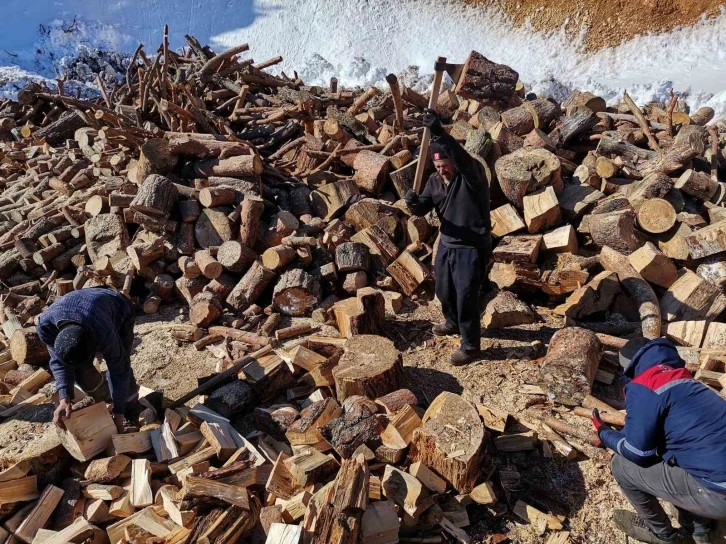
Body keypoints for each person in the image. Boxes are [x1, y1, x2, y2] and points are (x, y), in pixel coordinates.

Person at [592, 337, 726, 544]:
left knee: (621, 466)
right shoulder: (688, 381)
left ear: (629, 367)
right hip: (719, 477)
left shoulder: (644, 386)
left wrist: (604, 433)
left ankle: (665, 536)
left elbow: (639, 455)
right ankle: (701, 529)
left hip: (719, 496)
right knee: (680, 453)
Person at [405, 108, 491, 366]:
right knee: (444, 290)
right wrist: (413, 204)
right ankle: (452, 323)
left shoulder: (471, 176)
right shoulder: (434, 180)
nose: (442, 170)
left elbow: (463, 159)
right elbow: (423, 207)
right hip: (448, 242)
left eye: (445, 165)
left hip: (472, 246)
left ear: (453, 162)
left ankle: (471, 345)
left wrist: (440, 133)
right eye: (438, 165)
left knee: (466, 296)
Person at [37, 287, 140, 434]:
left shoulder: (102, 330)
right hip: (75, 308)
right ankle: (104, 399)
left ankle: (130, 412)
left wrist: (119, 414)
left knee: (120, 366)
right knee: (79, 370)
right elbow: (58, 362)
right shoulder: (46, 327)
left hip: (117, 308)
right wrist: (64, 397)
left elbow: (119, 369)